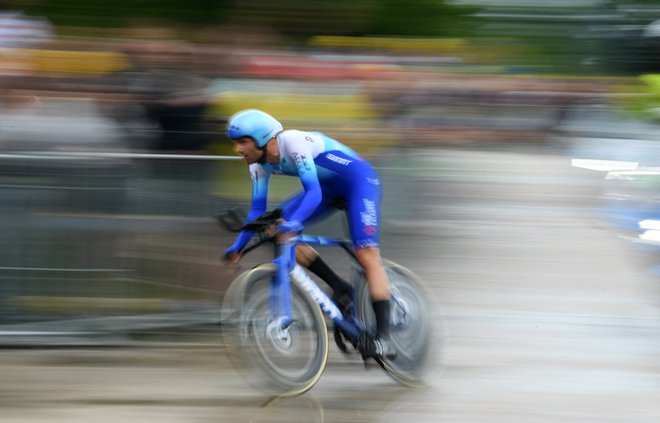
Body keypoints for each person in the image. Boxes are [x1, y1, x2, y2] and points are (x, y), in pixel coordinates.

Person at [222, 108, 396, 360]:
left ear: (262, 139)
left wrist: (294, 224)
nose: (237, 149)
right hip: (327, 190)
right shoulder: (258, 165)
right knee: (273, 227)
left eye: (242, 142)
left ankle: (384, 339)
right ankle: (340, 287)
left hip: (359, 183)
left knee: (367, 256)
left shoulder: (293, 142)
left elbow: (312, 193)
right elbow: (257, 210)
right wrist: (237, 246)